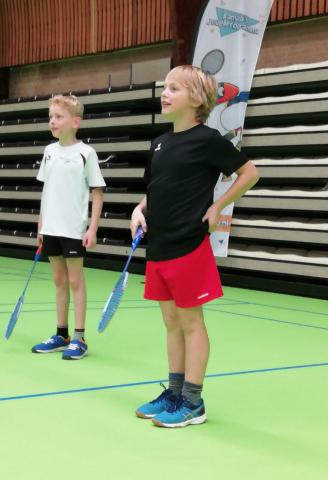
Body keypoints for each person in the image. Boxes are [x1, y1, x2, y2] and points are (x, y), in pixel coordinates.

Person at [130, 65, 259, 427]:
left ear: (198, 99)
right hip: (159, 245)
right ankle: (173, 393)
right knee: (171, 322)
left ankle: (193, 401)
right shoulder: (158, 143)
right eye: (164, 87)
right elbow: (154, 191)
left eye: (174, 88)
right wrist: (140, 211)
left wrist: (218, 205)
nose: (164, 93)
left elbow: (250, 172)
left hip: (188, 244)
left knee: (190, 322)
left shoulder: (208, 140)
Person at [32, 94, 105, 360]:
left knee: (75, 280)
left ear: (76, 122)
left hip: (74, 229)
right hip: (51, 228)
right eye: (51, 117)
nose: (52, 121)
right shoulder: (49, 151)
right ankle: (61, 335)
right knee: (58, 280)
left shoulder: (86, 153)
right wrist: (41, 225)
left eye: (58, 117)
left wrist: (92, 228)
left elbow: (98, 192)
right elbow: (46, 191)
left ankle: (79, 337)